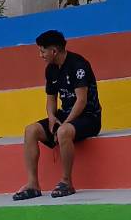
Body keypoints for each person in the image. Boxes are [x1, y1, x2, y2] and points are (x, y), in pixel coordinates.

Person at [12, 29, 101, 201]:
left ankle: (67, 182)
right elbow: (51, 99)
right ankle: (33, 184)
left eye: (42, 51)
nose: (40, 55)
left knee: (63, 131)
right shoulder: (50, 70)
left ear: (54, 51)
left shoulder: (78, 65)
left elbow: (81, 101)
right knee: (30, 130)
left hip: (89, 117)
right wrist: (52, 117)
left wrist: (65, 123)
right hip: (65, 115)